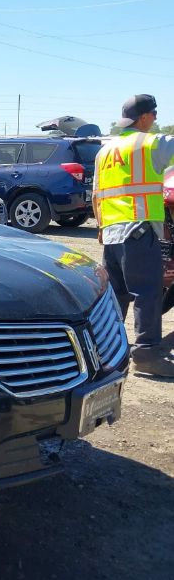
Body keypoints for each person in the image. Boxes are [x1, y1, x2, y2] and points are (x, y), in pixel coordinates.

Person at [92, 94, 174, 377]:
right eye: (153, 114)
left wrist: (102, 228)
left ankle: (107, 353)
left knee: (117, 296)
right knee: (148, 293)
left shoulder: (105, 151)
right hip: (138, 232)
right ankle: (147, 354)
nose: (155, 120)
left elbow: (96, 195)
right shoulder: (150, 143)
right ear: (143, 117)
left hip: (112, 234)